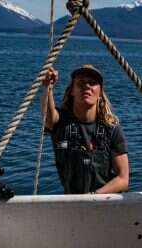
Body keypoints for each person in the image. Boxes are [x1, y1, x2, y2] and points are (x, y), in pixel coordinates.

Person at [40, 63, 130, 194]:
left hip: (105, 203)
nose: (87, 86)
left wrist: (93, 197)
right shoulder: (60, 122)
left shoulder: (112, 129)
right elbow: (47, 118)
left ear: (100, 93)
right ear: (72, 91)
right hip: (71, 202)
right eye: (81, 82)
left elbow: (123, 179)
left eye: (92, 83)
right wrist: (48, 87)